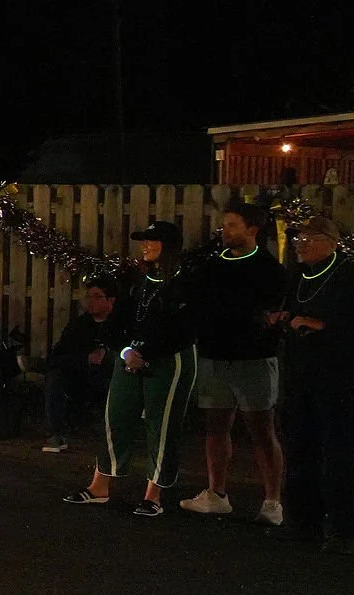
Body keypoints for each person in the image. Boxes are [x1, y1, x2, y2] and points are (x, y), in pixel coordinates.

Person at [63, 220, 198, 517]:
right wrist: (126, 351)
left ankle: (154, 493)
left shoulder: (185, 282)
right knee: (117, 415)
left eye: (153, 241)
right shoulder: (139, 281)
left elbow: (183, 329)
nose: (146, 246)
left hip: (168, 359)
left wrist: (147, 352)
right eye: (144, 241)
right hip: (130, 356)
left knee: (161, 425)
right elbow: (117, 321)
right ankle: (100, 485)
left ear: (169, 245)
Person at [181, 202, 288, 523]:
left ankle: (272, 501)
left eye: (231, 225)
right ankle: (217, 494)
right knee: (216, 426)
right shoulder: (212, 266)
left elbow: (267, 314)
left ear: (251, 230)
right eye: (224, 225)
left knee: (261, 429)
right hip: (215, 356)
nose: (224, 231)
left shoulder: (269, 269)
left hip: (253, 358)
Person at [273, 216, 354, 551]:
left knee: (338, 453)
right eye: (298, 238)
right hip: (299, 376)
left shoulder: (349, 276)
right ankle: (304, 522)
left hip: (339, 378)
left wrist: (323, 326)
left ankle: (343, 528)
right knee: (299, 448)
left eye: (309, 237)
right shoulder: (298, 276)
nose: (301, 243)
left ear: (332, 241)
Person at [40, 276, 128, 453]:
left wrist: (108, 355)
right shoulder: (79, 326)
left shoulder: (121, 325)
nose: (91, 302)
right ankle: (56, 434)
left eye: (97, 296)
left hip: (112, 380)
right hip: (80, 378)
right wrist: (84, 359)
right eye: (89, 296)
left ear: (110, 300)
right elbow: (58, 356)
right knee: (55, 377)